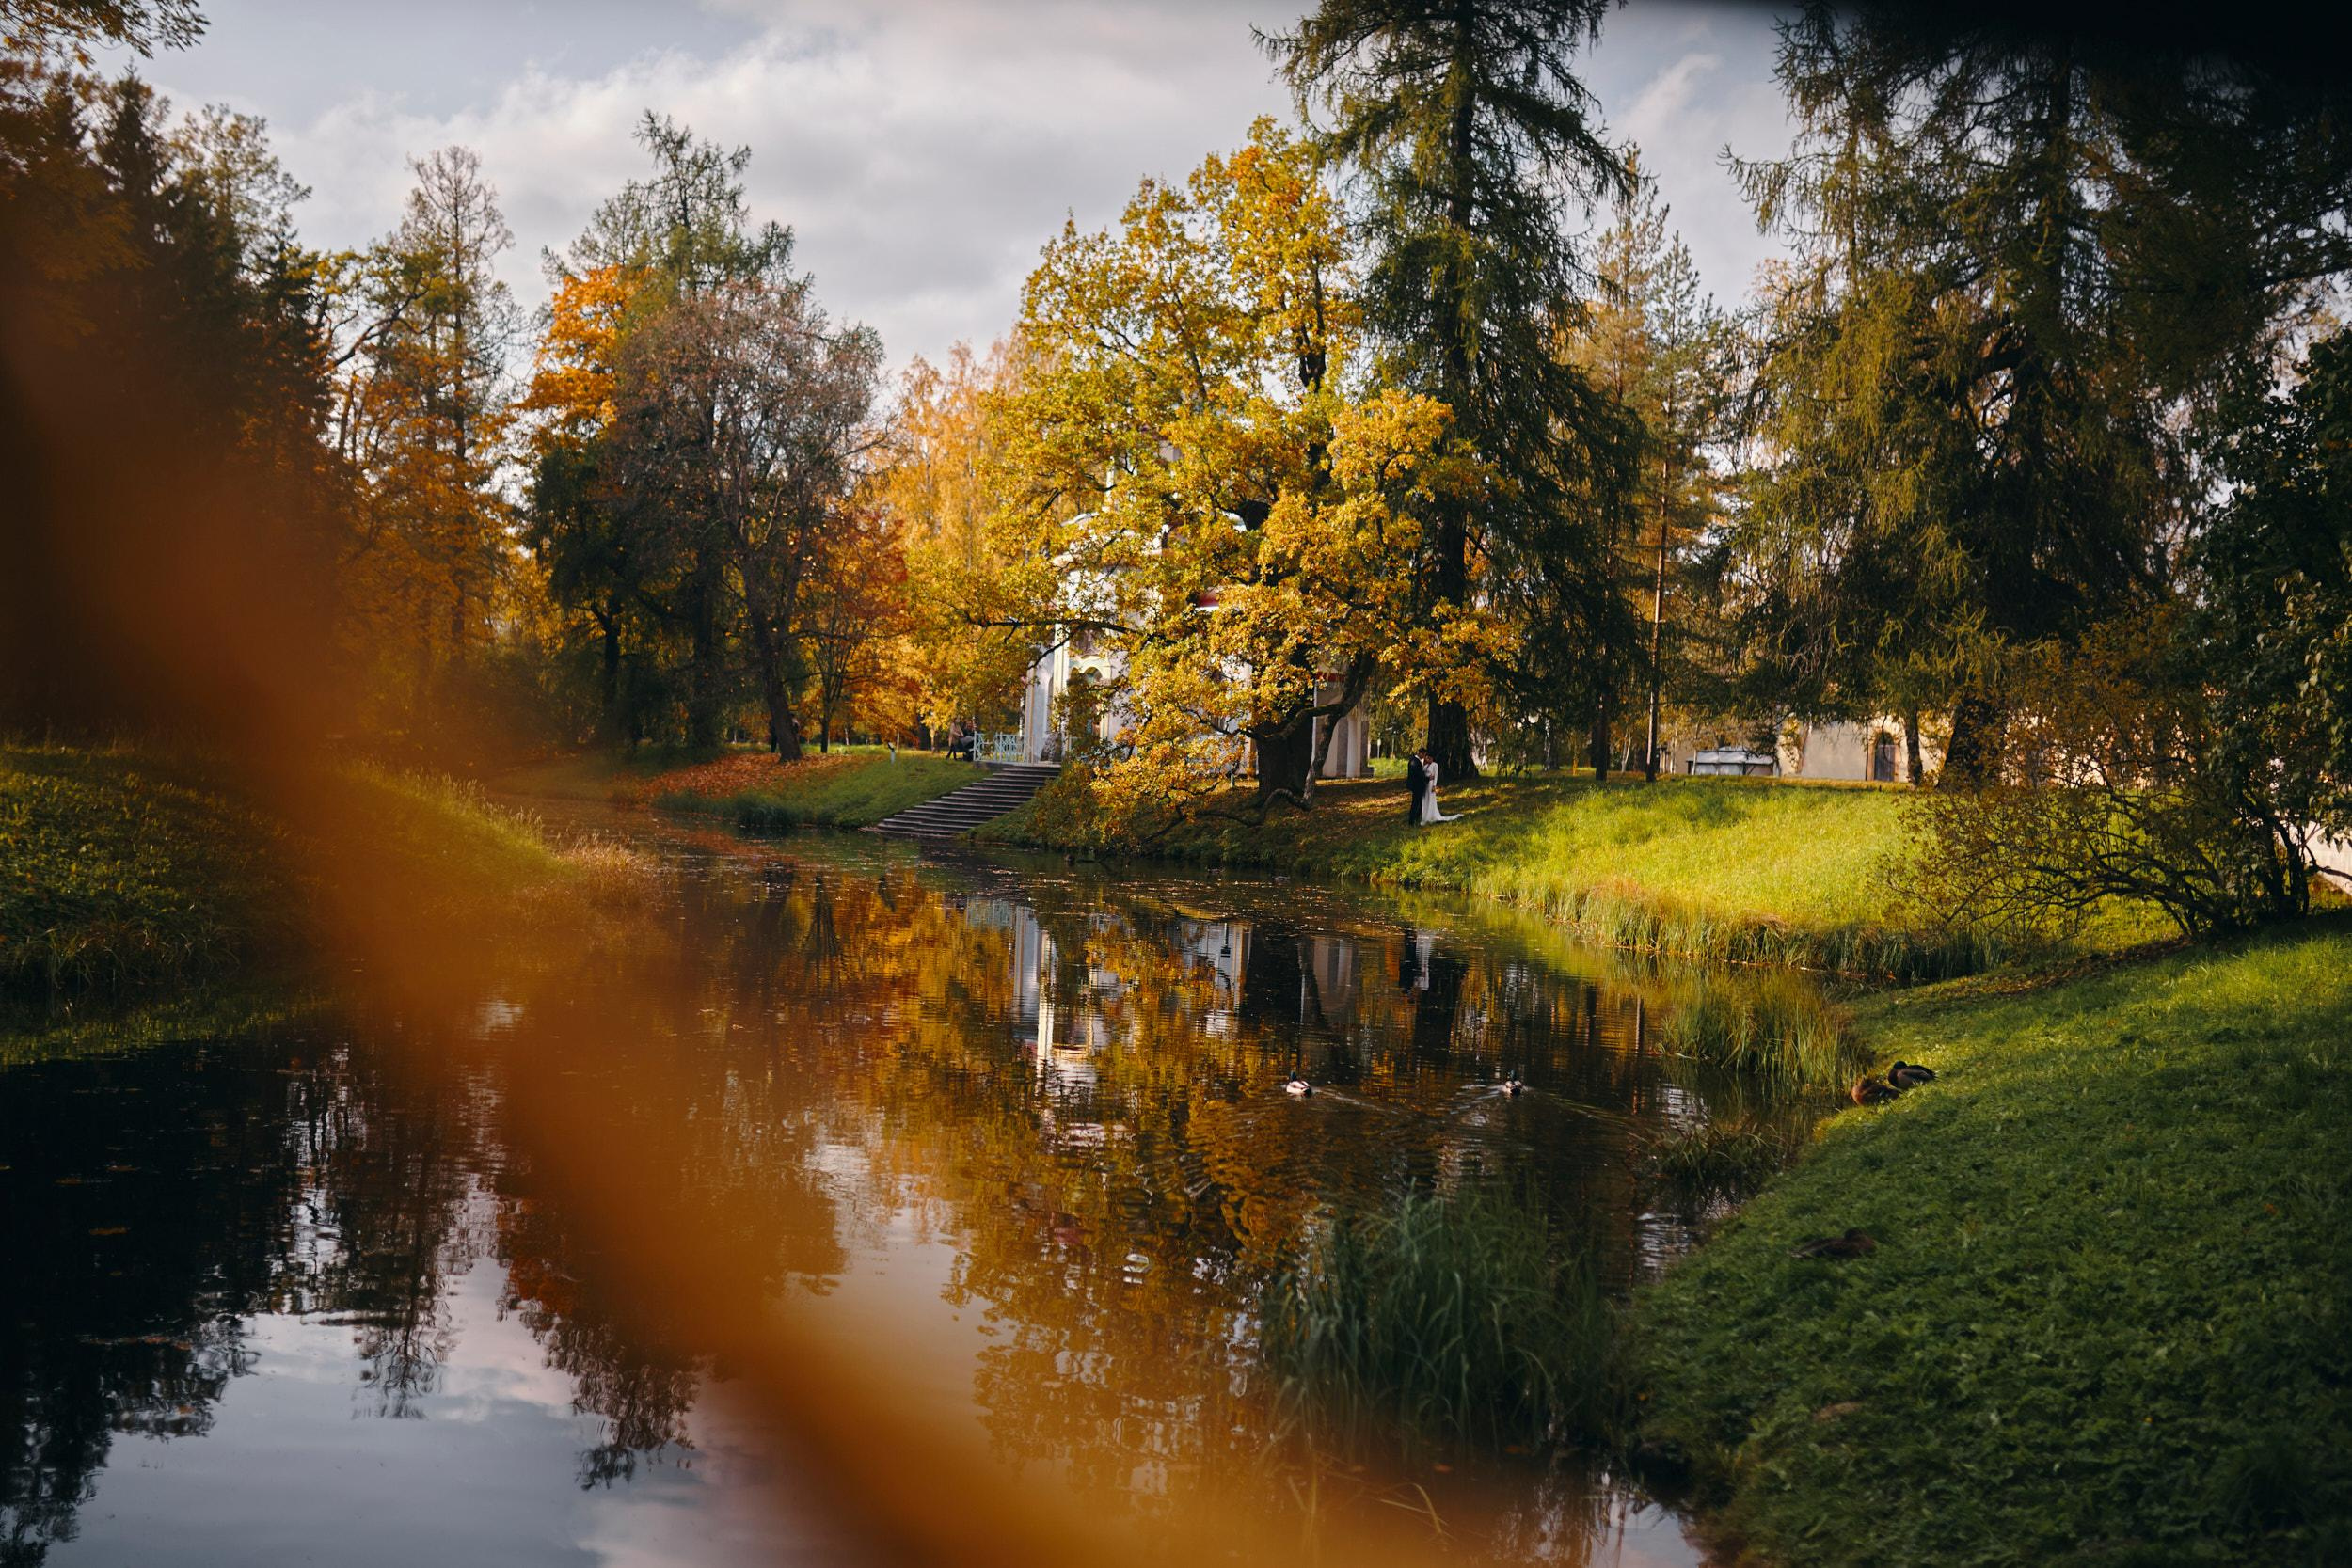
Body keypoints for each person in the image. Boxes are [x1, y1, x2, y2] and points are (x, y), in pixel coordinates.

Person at [1417, 748, 1460, 825]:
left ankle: (1431, 815)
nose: (1427, 759)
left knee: (1430, 799)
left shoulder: (1435, 765)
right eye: (1427, 757)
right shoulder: (1425, 765)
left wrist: (1434, 785)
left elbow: (1435, 776)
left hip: (1430, 784)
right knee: (1425, 799)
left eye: (1429, 758)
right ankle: (1425, 815)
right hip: (1425, 784)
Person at [1404, 748, 1428, 823]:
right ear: (1420, 753)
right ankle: (1412, 819)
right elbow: (1418, 774)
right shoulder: (1415, 761)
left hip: (1417, 785)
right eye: (1424, 755)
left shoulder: (1415, 760)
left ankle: (1416, 817)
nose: (1424, 757)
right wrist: (1427, 778)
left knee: (1419, 802)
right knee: (1416, 802)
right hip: (1416, 785)